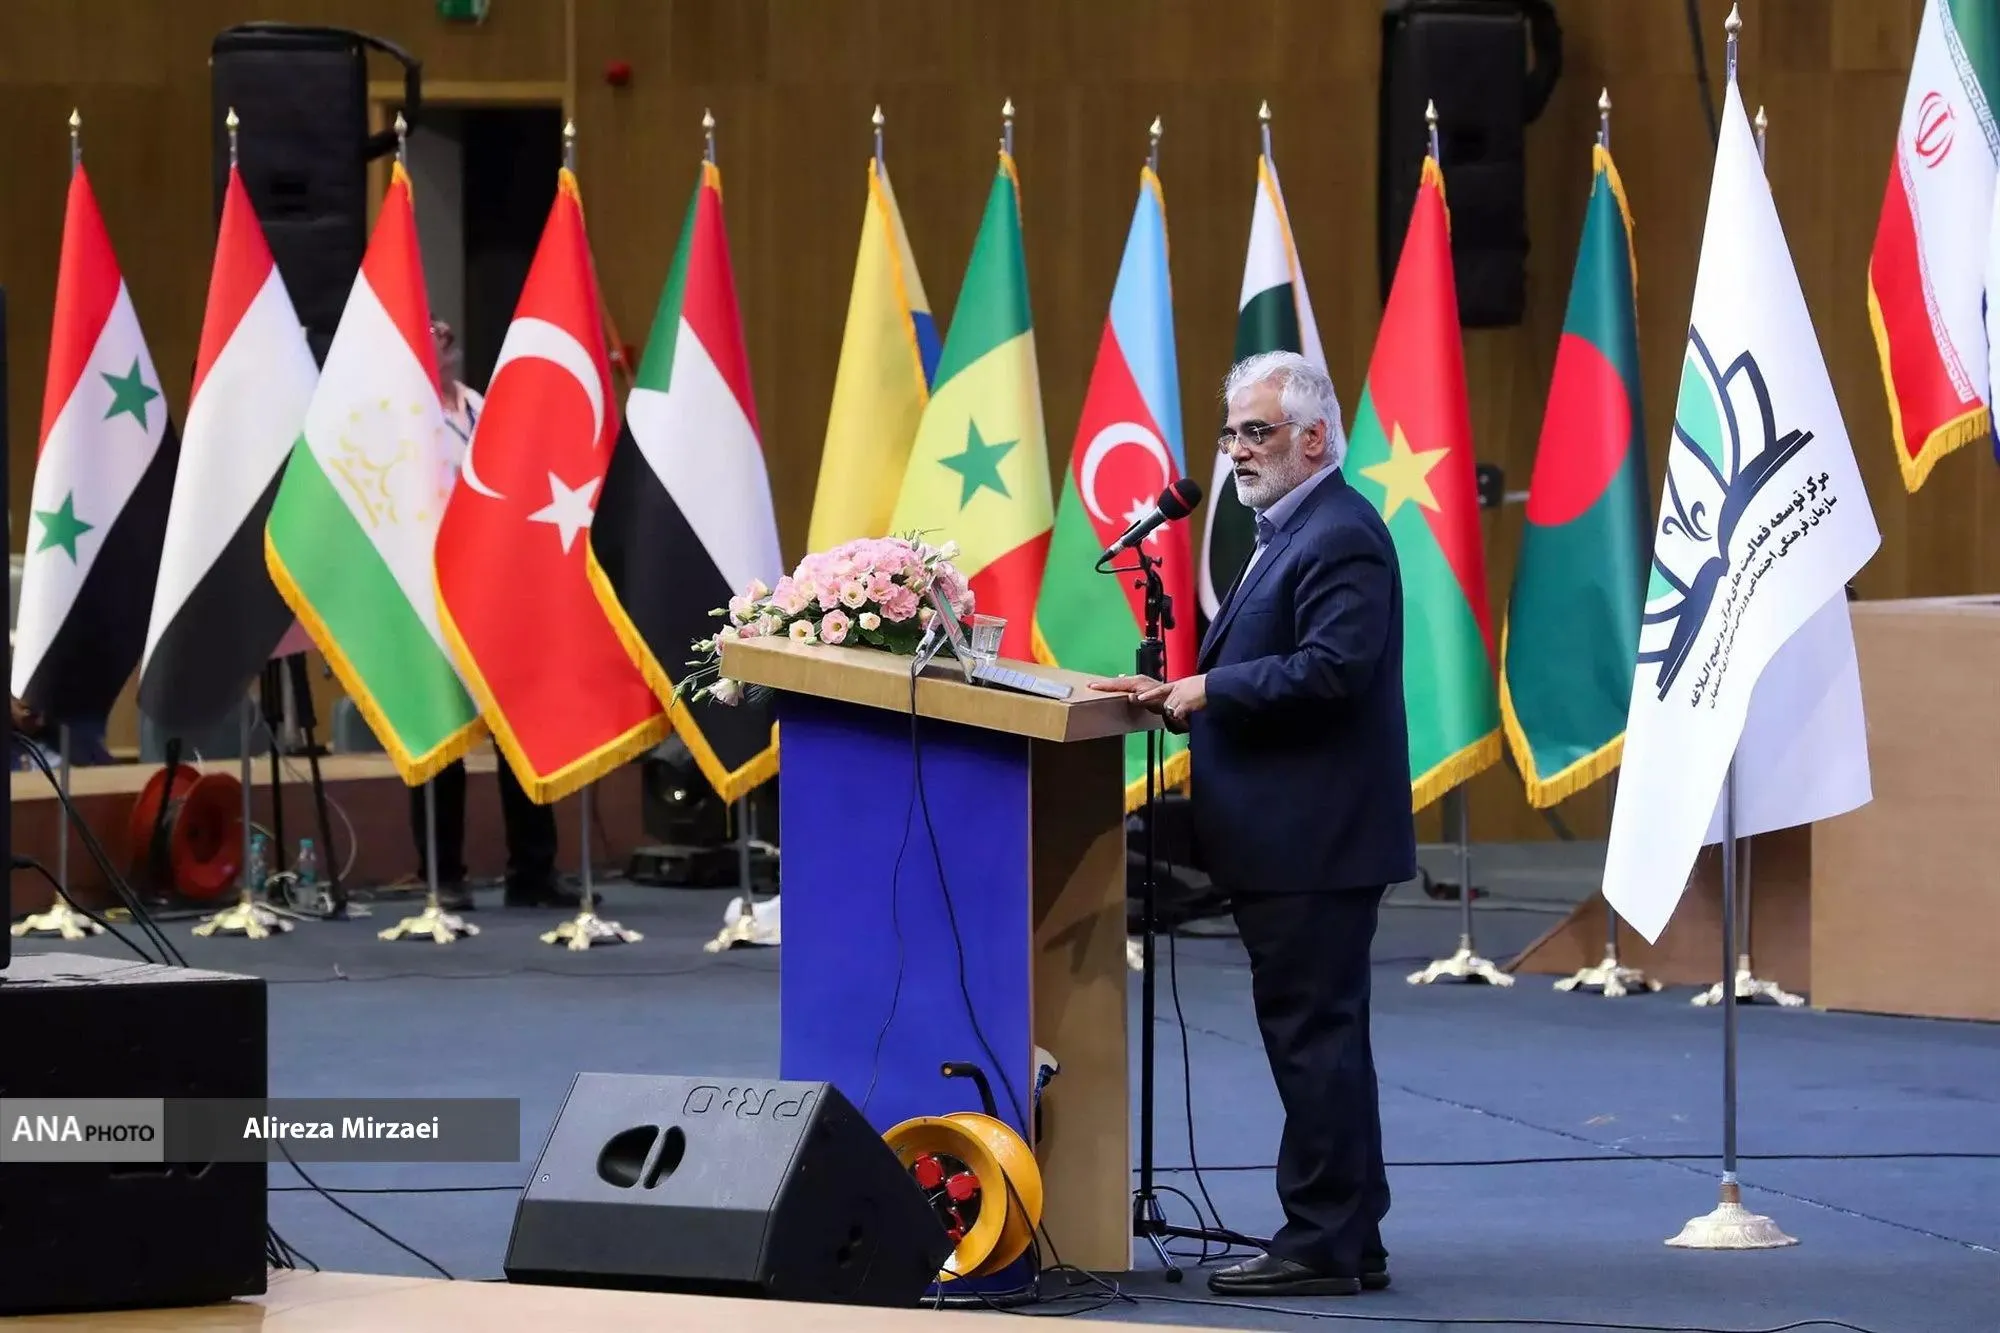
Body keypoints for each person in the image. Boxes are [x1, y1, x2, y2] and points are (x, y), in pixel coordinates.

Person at [1093, 351, 1416, 1298]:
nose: (1236, 449)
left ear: (1313, 438)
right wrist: (1173, 692)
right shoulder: (1290, 530)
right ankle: (1352, 1235)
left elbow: (1333, 669)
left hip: (1314, 840)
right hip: (1296, 836)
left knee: (1314, 1040)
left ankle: (1319, 1240)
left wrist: (1209, 687)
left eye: (1256, 432)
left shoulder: (1340, 533)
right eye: (1231, 432)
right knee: (1324, 1038)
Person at [412, 320, 574, 912]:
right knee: (442, 735)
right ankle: (443, 875)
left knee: (520, 733)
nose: (444, 333)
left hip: (500, 590)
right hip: (435, 590)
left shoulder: (483, 406)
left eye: (447, 328)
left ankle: (532, 871)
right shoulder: (406, 416)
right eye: (430, 327)